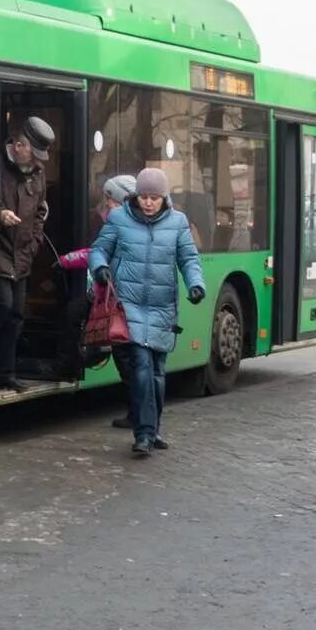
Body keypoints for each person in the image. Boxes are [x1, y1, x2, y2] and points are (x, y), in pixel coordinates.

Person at [89, 167, 205, 456]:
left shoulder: (178, 223)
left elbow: (188, 258)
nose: (148, 202)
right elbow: (98, 250)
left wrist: (196, 284)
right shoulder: (118, 218)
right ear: (136, 196)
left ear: (164, 197)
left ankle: (153, 429)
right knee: (141, 368)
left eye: (154, 197)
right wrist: (100, 268)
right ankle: (142, 435)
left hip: (162, 307)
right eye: (143, 197)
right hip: (129, 306)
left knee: (157, 374)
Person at [56, 174, 137, 429]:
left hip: (120, 301)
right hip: (106, 297)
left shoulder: (126, 226)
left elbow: (98, 254)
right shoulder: (116, 222)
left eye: (110, 199)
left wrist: (68, 260)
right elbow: (97, 253)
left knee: (126, 356)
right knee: (74, 315)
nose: (106, 204)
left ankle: (139, 415)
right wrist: (67, 260)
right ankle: (74, 361)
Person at [0, 115, 56, 393]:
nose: (36, 163)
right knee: (2, 307)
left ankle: (7, 372)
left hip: (22, 255)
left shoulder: (37, 172)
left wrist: (33, 245)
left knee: (17, 314)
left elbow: (41, 211)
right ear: (18, 146)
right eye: (33, 155)